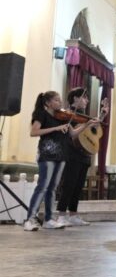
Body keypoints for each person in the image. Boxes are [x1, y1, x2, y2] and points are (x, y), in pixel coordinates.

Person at [55, 88, 104, 227]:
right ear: (75, 98)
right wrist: (87, 124)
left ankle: (73, 214)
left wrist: (103, 114)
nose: (87, 100)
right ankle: (61, 215)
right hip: (71, 153)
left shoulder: (83, 116)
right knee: (69, 185)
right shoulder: (67, 115)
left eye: (87, 98)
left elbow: (93, 131)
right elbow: (73, 135)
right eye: (84, 98)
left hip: (84, 154)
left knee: (78, 186)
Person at [24, 91, 69, 231]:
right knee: (42, 187)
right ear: (48, 103)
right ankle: (30, 219)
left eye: (60, 100)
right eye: (56, 100)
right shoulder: (41, 114)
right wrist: (56, 128)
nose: (60, 102)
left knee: (52, 189)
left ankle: (49, 219)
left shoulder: (62, 117)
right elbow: (34, 132)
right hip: (47, 154)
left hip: (61, 155)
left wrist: (86, 125)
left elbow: (72, 134)